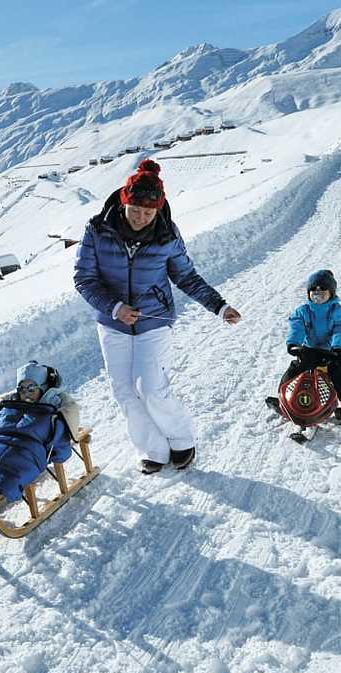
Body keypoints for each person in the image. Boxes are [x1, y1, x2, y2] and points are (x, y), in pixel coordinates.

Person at [73, 159, 240, 474]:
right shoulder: (98, 229)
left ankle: (182, 440)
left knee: (150, 388)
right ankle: (153, 448)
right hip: (112, 324)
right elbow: (84, 278)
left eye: (148, 213)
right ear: (124, 201)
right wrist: (115, 308)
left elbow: (187, 277)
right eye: (134, 210)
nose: (140, 218)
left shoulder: (167, 235)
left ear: (158, 210)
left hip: (155, 320)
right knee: (124, 391)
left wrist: (219, 306)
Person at [0, 362, 82, 503]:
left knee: (8, 477)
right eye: (22, 390)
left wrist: (54, 455)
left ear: (43, 389)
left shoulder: (52, 413)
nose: (26, 394)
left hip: (28, 451)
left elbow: (61, 446)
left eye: (31, 389)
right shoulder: (10, 404)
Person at [279, 269, 341, 428]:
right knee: (294, 372)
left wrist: (338, 348)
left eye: (322, 291)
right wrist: (293, 343)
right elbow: (297, 326)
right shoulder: (303, 311)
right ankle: (285, 399)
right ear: (308, 293)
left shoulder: (337, 311)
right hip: (309, 351)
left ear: (331, 293)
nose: (318, 295)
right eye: (314, 291)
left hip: (332, 353)